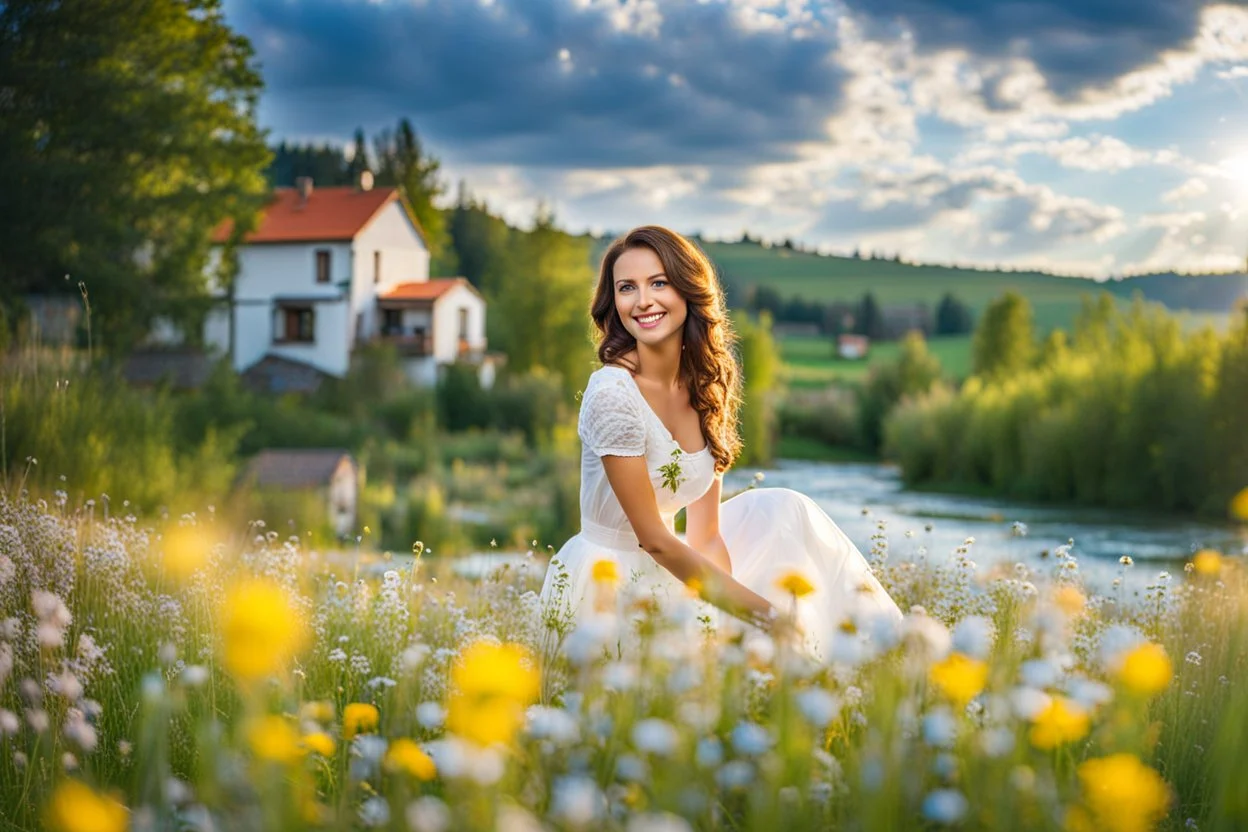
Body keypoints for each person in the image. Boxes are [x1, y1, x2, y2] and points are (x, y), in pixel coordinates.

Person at [539, 226, 902, 659]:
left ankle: (880, 658)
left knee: (785, 510)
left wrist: (721, 624)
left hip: (674, 573)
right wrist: (766, 616)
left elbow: (706, 535)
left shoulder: (708, 387)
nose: (643, 301)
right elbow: (653, 539)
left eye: (659, 283)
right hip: (605, 585)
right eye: (626, 288)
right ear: (612, 303)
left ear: (689, 290)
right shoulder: (612, 394)